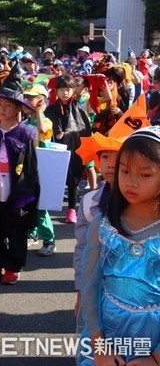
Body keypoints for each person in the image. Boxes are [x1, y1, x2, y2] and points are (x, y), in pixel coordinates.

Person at [78, 126, 160, 366]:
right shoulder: (102, 226)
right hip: (108, 329)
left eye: (145, 175)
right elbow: (90, 289)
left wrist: (155, 358)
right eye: (124, 171)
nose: (131, 182)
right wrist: (99, 346)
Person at [0, 92, 40, 285]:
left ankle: (13, 266)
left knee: (16, 229)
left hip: (17, 187)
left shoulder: (26, 134)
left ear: (18, 109)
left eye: (7, 105)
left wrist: (24, 192)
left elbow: (30, 167)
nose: (2, 109)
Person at [73, 130, 125, 332]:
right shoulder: (89, 201)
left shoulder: (144, 203)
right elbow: (82, 249)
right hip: (97, 286)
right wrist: (80, 290)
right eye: (105, 156)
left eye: (118, 156)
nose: (111, 163)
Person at [45, 75, 92, 223]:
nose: (65, 93)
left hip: (74, 148)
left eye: (68, 90)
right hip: (55, 148)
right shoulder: (50, 109)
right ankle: (48, 207)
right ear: (56, 91)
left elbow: (84, 128)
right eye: (62, 89)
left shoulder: (78, 107)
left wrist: (67, 133)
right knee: (54, 178)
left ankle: (72, 210)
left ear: (73, 91)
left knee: (73, 181)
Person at [22, 83, 56, 256]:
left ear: (40, 101)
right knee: (29, 203)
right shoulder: (25, 122)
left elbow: (43, 130)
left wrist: (40, 112)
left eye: (30, 98)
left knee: (42, 207)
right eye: (25, 97)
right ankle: (33, 233)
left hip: (42, 170)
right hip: (28, 170)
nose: (26, 101)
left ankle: (49, 240)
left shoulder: (46, 121)